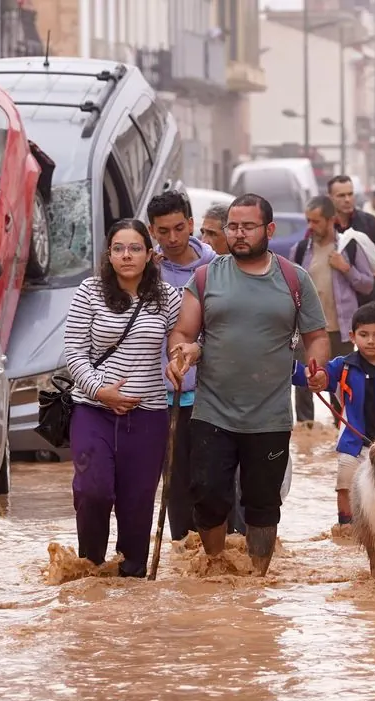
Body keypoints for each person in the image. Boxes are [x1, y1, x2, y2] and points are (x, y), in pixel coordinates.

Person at [167, 193, 330, 576]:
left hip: (270, 416)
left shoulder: (294, 279)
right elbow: (183, 332)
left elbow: (316, 336)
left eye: (248, 227)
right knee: (208, 496)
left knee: (262, 504)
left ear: (268, 230)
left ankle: (257, 578)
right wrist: (182, 353)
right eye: (233, 227)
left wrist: (317, 367)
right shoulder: (206, 277)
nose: (239, 234)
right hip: (212, 412)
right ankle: (215, 565)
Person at [62, 218, 181, 578]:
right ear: (109, 254)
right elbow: (74, 352)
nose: (126, 255)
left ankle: (132, 578)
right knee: (92, 491)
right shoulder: (89, 291)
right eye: (118, 248)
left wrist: (180, 359)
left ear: (149, 254)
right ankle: (91, 568)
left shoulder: (168, 297)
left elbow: (185, 338)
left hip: (148, 416)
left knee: (138, 503)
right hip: (93, 410)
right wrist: (101, 390)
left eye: (134, 248)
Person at [300, 302, 375, 532]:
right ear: (352, 336)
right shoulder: (343, 367)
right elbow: (321, 377)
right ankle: (346, 528)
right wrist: (312, 375)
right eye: (363, 335)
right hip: (353, 445)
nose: (370, 340)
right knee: (345, 486)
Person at [146, 191, 218, 543]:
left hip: (210, 394)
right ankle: (183, 552)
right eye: (163, 231)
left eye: (179, 228)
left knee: (210, 479)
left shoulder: (216, 268)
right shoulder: (146, 271)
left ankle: (216, 549)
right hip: (160, 396)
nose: (172, 239)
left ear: (191, 224)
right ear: (152, 231)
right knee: (172, 482)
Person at [292, 195, 375, 368]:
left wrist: (346, 269)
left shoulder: (349, 248)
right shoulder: (299, 250)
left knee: (340, 390)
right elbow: (289, 291)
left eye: (316, 221)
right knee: (303, 387)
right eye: (308, 221)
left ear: (331, 220)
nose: (310, 226)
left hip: (341, 333)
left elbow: (368, 285)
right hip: (307, 332)